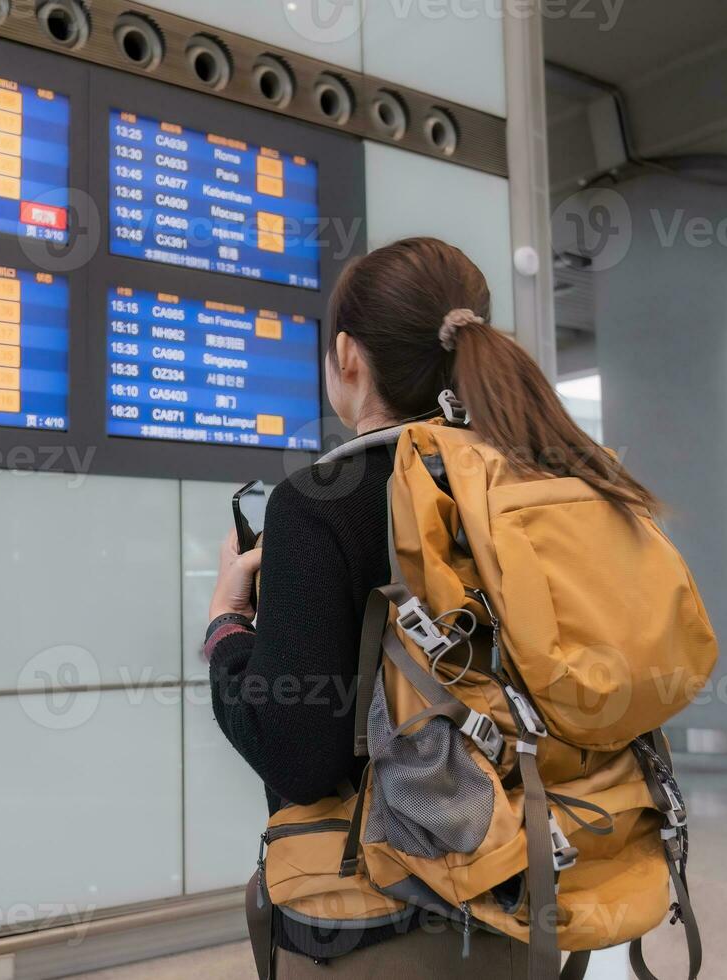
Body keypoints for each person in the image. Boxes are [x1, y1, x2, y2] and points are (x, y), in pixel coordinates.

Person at [203, 237, 659, 977]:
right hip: (547, 892)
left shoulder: (322, 501)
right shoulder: (534, 480)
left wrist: (228, 625)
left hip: (387, 921)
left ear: (348, 357)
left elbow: (298, 755)